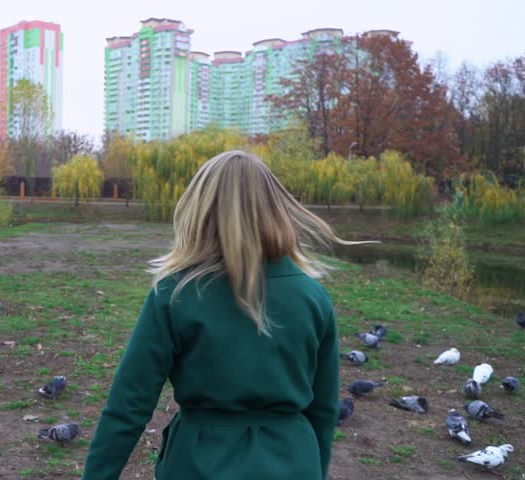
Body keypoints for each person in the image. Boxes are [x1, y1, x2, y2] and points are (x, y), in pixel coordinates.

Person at [81, 150, 352, 480]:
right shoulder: (313, 297)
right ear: (275, 209)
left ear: (199, 209)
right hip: (293, 462)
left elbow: (129, 405)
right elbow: (323, 409)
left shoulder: (175, 294)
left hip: (198, 464)